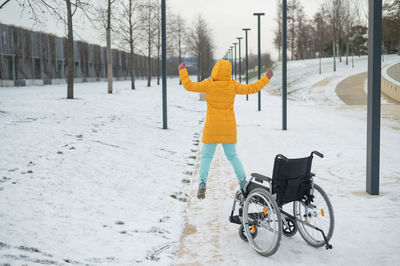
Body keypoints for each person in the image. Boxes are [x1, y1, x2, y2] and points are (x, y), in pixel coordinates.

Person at [178, 59, 273, 199]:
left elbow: (189, 86)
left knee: (206, 156)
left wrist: (182, 70)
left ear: (215, 70)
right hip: (228, 128)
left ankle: (203, 182)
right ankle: (242, 181)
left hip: (212, 128)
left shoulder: (209, 84)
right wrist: (266, 78)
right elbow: (252, 88)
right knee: (232, 156)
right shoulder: (232, 85)